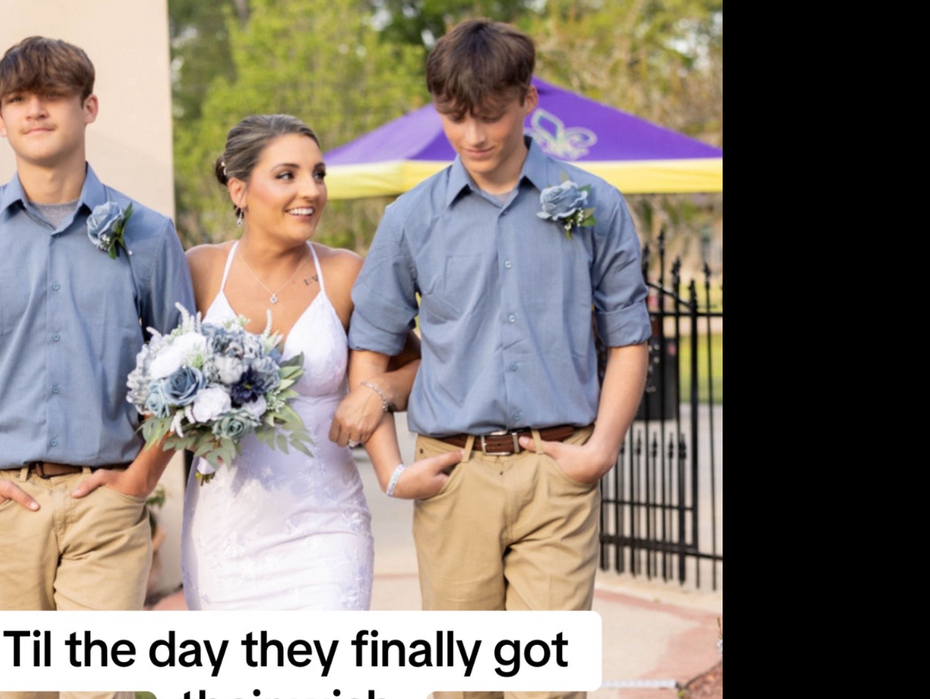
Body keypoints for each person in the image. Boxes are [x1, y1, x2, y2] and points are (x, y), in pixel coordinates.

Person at [343, 18, 651, 699]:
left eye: (489, 114)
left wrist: (599, 450)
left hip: (556, 471)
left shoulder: (595, 205)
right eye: (455, 116)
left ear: (527, 100)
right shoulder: (409, 218)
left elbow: (629, 336)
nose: (473, 135)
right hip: (454, 477)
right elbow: (370, 347)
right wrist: (393, 471)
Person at [0, 36, 194, 699]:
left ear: (87, 107)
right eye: (17, 99)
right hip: (3, 504)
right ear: (0, 120)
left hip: (105, 505)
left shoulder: (145, 233)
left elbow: (186, 377)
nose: (35, 110)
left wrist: (139, 477)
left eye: (52, 95)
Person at [180, 114, 460, 610]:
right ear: (239, 190)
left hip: (328, 531)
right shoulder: (199, 270)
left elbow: (424, 365)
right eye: (287, 175)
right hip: (225, 534)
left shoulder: (344, 273)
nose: (310, 190)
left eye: (318, 174)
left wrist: (376, 393)